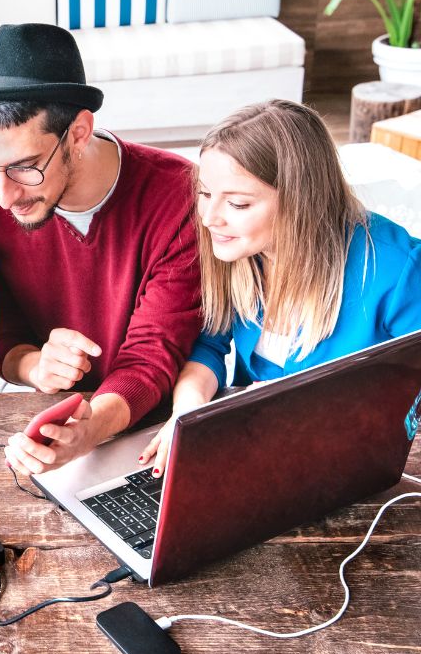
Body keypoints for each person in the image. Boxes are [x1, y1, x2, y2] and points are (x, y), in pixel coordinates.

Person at [0, 23, 202, 476]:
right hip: (38, 418)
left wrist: (88, 430)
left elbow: (151, 360)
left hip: (143, 434)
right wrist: (32, 365)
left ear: (79, 132)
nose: (3, 196)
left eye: (25, 167)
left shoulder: (179, 196)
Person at [140, 99, 421, 476]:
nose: (209, 218)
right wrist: (185, 416)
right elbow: (209, 344)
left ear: (300, 201)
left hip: (345, 464)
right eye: (205, 194)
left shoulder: (396, 268)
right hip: (253, 447)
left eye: (238, 203)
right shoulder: (235, 247)